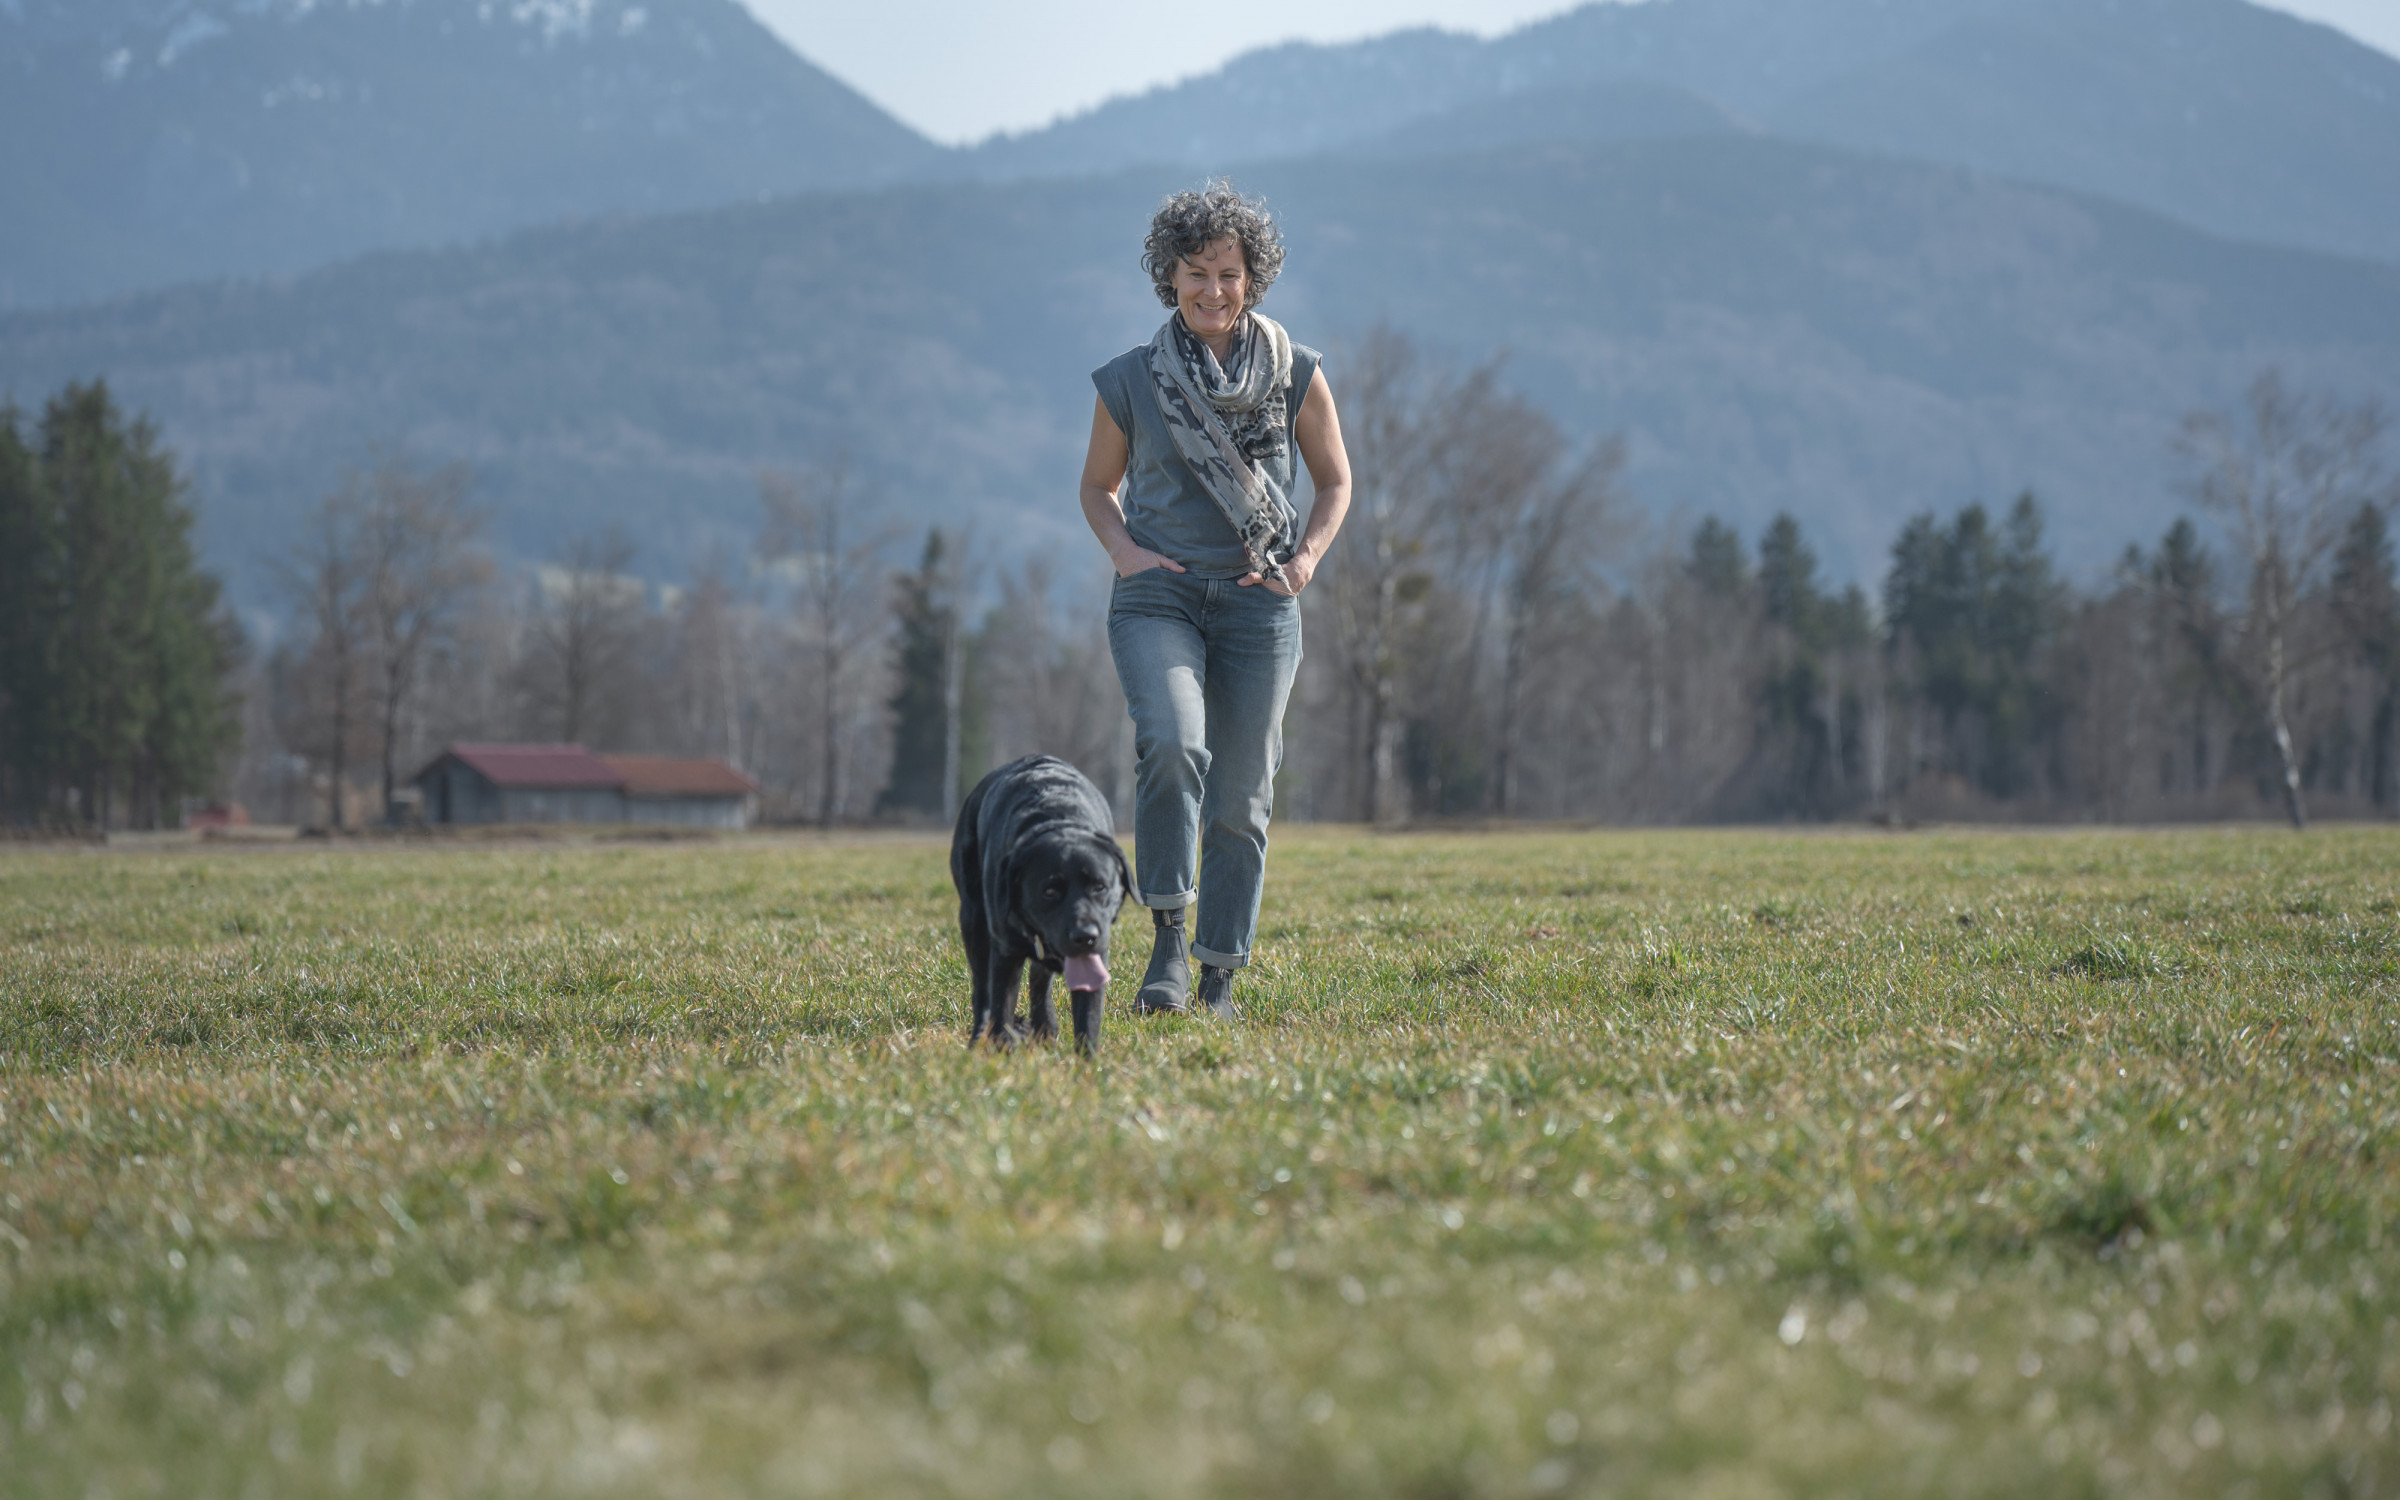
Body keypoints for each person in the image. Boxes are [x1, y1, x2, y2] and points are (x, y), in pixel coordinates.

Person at [1078, 181, 1354, 1019]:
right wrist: (1126, 554)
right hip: (1159, 601)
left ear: (1252, 278)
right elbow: (1097, 487)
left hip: (1260, 607)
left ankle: (1219, 977)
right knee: (1170, 743)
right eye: (1195, 272)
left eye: (1228, 273)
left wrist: (1304, 560)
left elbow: (1337, 482)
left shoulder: (1295, 372)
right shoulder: (1130, 379)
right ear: (1169, 277)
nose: (1212, 290)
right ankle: (1165, 935)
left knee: (1241, 798)